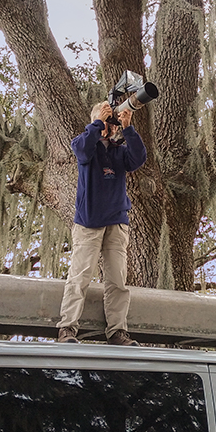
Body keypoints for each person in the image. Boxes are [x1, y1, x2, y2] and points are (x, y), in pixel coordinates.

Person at [57, 101, 147, 345]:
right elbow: (83, 150)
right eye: (105, 121)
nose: (109, 126)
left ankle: (117, 331)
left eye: (111, 122)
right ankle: (67, 328)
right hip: (89, 223)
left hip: (117, 223)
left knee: (117, 281)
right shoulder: (84, 144)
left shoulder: (119, 151)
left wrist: (128, 128)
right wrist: (97, 122)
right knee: (80, 276)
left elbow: (138, 159)